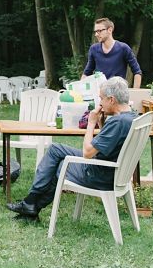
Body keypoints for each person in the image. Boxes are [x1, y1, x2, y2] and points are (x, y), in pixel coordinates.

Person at [7, 77, 137, 222]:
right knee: (55, 149)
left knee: (61, 164)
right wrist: (101, 124)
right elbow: (109, 143)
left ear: (111, 100)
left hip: (99, 175)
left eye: (101, 99)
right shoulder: (131, 117)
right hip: (113, 172)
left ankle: (31, 203)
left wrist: (91, 123)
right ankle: (30, 205)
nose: (100, 103)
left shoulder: (117, 122)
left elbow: (88, 153)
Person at [82, 17, 142, 88]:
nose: (96, 34)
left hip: (118, 92)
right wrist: (79, 91)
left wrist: (135, 92)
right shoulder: (93, 49)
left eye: (99, 31)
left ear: (110, 30)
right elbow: (86, 73)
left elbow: (137, 72)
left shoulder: (123, 48)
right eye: (95, 31)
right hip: (100, 94)